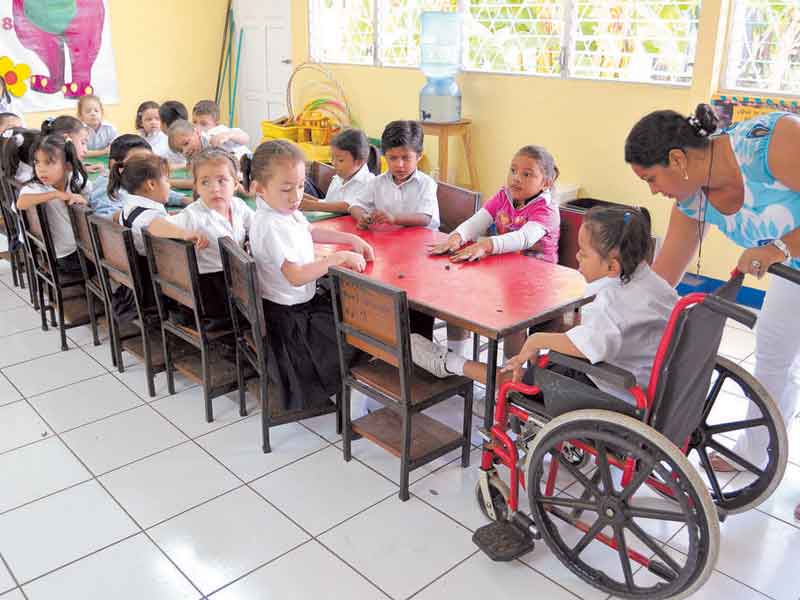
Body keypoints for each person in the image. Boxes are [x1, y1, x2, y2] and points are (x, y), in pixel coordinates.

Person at [625, 104, 800, 520]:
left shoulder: (772, 143)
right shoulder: (691, 200)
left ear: (678, 160)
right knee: (773, 354)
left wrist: (778, 248)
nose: (652, 191)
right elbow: (664, 278)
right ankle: (754, 452)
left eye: (651, 178)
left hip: (788, 256)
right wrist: (613, 309)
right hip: (793, 266)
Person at [414, 207, 675, 408]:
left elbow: (589, 345)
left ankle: (449, 362)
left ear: (612, 266)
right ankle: (455, 362)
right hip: (652, 382)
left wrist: (536, 340)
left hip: (615, 393)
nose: (576, 256)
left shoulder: (613, 305)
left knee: (520, 380)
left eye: (583, 253)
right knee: (545, 360)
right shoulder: (656, 285)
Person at [243, 139, 375, 411]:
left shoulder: (281, 211)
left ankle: (357, 388)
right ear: (260, 188)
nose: (296, 196)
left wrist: (349, 239)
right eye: (286, 189)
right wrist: (336, 258)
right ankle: (353, 393)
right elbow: (296, 276)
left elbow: (310, 231)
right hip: (291, 323)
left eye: (301, 186)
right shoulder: (270, 224)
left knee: (354, 308)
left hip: (297, 306)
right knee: (362, 325)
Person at [428, 144, 562, 359]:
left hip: (537, 282)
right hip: (504, 273)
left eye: (527, 174)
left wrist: (486, 245)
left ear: (545, 182)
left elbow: (524, 238)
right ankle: (455, 362)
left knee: (513, 318)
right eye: (513, 170)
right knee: (455, 296)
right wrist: (457, 236)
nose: (516, 178)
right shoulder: (504, 195)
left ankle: (510, 375)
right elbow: (479, 220)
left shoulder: (546, 208)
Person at [15, 135, 88, 273]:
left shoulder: (77, 183)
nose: (41, 169)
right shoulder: (35, 188)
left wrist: (85, 202)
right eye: (37, 162)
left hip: (75, 251)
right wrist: (55, 194)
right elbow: (21, 203)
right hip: (65, 256)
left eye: (48, 163)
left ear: (68, 165)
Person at [349, 120, 439, 230]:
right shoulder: (376, 182)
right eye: (392, 158)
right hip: (390, 241)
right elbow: (355, 205)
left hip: (422, 241)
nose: (399, 165)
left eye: (406, 158)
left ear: (419, 156)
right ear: (384, 155)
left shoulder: (427, 183)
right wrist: (362, 217)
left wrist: (394, 218)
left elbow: (426, 218)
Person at [300, 128, 374, 214]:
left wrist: (310, 205)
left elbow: (348, 206)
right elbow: (327, 204)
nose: (333, 163)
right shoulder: (338, 178)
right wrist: (301, 196)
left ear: (359, 161)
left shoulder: (369, 182)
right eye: (332, 158)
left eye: (340, 160)